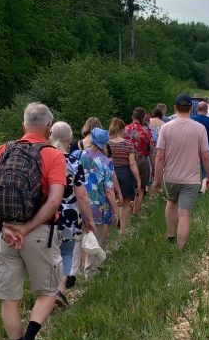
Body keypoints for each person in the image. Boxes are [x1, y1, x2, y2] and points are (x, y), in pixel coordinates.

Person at [0, 102, 66, 340]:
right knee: (49, 291)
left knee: (9, 298)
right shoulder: (53, 155)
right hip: (38, 233)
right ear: (48, 128)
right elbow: (54, 201)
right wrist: (26, 228)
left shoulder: (2, 150)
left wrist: (4, 227)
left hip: (4, 234)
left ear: (23, 125)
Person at [153, 92, 209, 251]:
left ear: (175, 107)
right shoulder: (199, 128)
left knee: (171, 202)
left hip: (171, 177)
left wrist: (157, 179)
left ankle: (171, 236)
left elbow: (159, 156)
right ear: (191, 108)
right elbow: (205, 157)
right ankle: (181, 248)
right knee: (184, 214)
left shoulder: (166, 128)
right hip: (191, 179)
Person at [49, 121, 95, 307]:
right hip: (70, 215)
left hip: (47, 214)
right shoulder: (75, 162)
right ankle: (60, 289)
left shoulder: (44, 158)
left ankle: (47, 291)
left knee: (49, 253)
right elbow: (82, 196)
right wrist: (89, 220)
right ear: (69, 139)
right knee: (67, 252)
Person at [80, 127, 120, 256]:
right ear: (105, 144)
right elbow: (109, 190)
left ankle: (78, 266)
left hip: (80, 203)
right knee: (93, 243)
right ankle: (90, 267)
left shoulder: (80, 155)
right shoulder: (106, 162)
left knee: (79, 242)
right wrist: (116, 211)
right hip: (98, 207)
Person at [107, 117, 142, 235]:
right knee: (126, 203)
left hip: (110, 174)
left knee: (110, 200)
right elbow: (132, 163)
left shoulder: (106, 144)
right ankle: (122, 230)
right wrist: (138, 180)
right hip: (125, 174)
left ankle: (110, 225)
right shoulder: (128, 144)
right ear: (122, 129)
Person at [124, 107, 155, 208]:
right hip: (142, 161)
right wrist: (154, 168)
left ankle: (126, 208)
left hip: (126, 161)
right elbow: (152, 152)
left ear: (132, 117)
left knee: (127, 186)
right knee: (141, 187)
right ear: (143, 118)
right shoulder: (146, 131)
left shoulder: (125, 129)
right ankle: (135, 211)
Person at [190, 100, 209, 193]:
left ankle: (191, 189)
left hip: (192, 150)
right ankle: (203, 190)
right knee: (206, 171)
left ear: (197, 109)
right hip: (207, 150)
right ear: (206, 110)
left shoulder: (191, 120)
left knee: (193, 171)